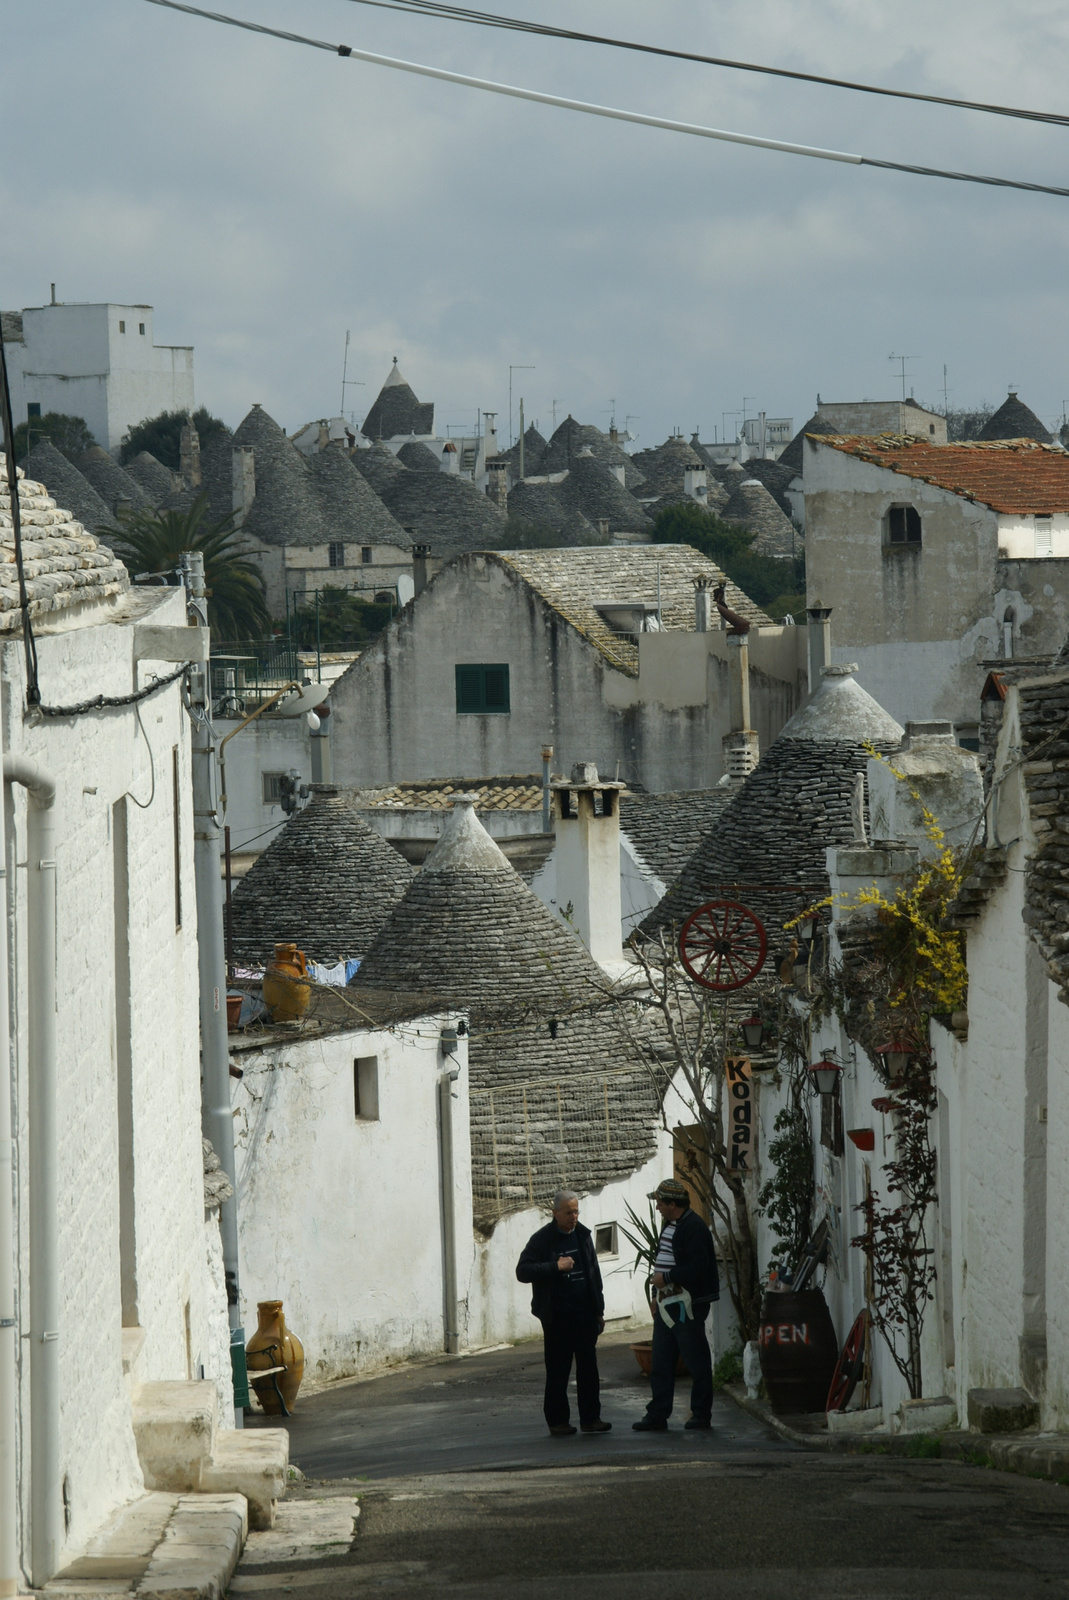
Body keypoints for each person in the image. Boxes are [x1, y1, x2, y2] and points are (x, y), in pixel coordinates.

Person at [516, 1189, 612, 1437]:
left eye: (576, 1211)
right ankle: (558, 1421)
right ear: (555, 1213)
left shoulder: (583, 1236)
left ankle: (591, 1419)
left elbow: (594, 1275)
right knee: (558, 1371)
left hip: (584, 1315)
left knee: (589, 1369)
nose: (573, 1216)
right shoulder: (542, 1239)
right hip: (557, 1317)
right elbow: (523, 1271)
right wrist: (554, 1267)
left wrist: (598, 1311)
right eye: (568, 1212)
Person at [632, 1177, 719, 1432]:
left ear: (672, 1204)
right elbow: (662, 1261)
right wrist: (655, 1295)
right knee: (661, 1361)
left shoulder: (693, 1227)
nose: (657, 1207)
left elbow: (698, 1266)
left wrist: (667, 1279)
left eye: (660, 1202)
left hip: (686, 1305)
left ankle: (701, 1415)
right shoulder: (670, 1225)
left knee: (696, 1360)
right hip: (666, 1304)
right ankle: (658, 1414)